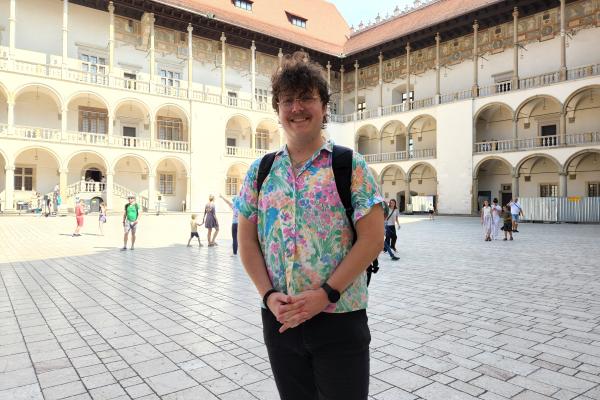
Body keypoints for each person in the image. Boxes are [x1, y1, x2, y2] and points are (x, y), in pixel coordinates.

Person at [237, 51, 384, 400]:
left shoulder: (350, 165)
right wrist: (268, 296)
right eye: (287, 100)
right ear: (277, 109)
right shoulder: (261, 171)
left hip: (339, 318)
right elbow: (246, 242)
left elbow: (373, 239)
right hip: (281, 320)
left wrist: (326, 294)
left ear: (323, 107)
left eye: (306, 98)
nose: (297, 108)